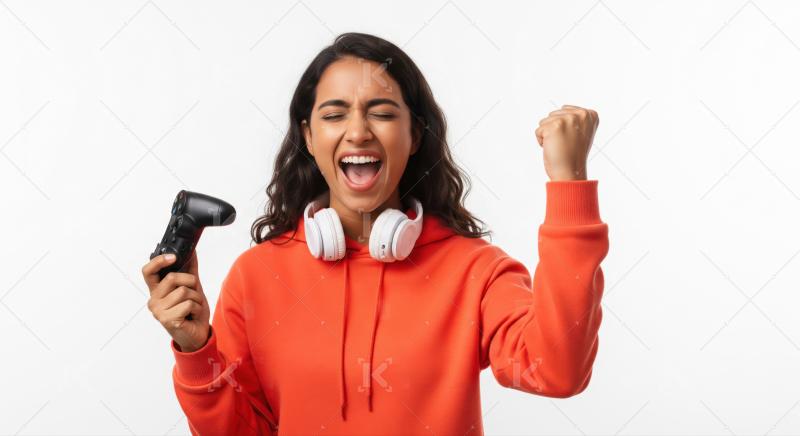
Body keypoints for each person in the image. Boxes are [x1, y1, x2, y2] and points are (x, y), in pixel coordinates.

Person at [141, 32, 609, 436]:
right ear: (308, 137)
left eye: (382, 113)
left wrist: (568, 183)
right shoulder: (257, 275)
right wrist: (195, 346)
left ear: (415, 135)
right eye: (334, 114)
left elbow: (558, 369)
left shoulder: (476, 271)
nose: (358, 132)